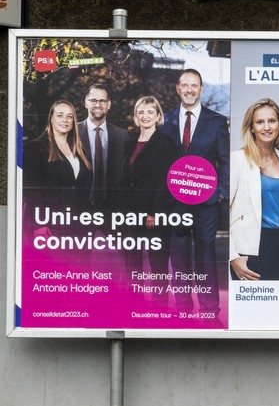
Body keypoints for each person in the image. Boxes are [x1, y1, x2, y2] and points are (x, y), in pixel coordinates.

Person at [160, 68, 229, 315]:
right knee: (177, 258)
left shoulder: (217, 121)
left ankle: (210, 309)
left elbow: (225, 161)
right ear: (178, 89)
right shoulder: (164, 120)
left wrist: (220, 193)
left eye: (194, 85)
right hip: (174, 203)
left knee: (206, 256)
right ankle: (183, 309)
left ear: (201, 89)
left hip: (206, 202)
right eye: (184, 85)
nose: (189, 90)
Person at [228, 98, 279, 281]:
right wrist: (233, 256)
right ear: (251, 127)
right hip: (251, 249)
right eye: (260, 122)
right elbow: (221, 212)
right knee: (252, 308)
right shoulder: (237, 159)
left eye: (271, 121)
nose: (266, 127)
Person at [122, 96, 179, 296]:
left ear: (158, 116)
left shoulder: (166, 143)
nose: (145, 116)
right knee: (132, 261)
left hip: (155, 213)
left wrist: (154, 212)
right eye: (141, 112)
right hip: (130, 212)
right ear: (136, 117)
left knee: (158, 262)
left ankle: (160, 305)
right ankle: (135, 302)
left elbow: (165, 180)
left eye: (150, 112)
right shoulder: (128, 144)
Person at [23, 100, 93, 236]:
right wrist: (39, 224)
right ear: (51, 118)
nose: (65, 120)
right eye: (60, 115)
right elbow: (32, 190)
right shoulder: (36, 148)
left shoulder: (80, 151)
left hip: (78, 225)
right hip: (49, 224)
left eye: (69, 116)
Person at [77, 83, 126, 215]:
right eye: (93, 100)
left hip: (112, 209)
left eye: (102, 101)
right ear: (86, 103)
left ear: (109, 104)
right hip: (78, 207)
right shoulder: (72, 133)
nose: (98, 104)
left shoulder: (122, 135)